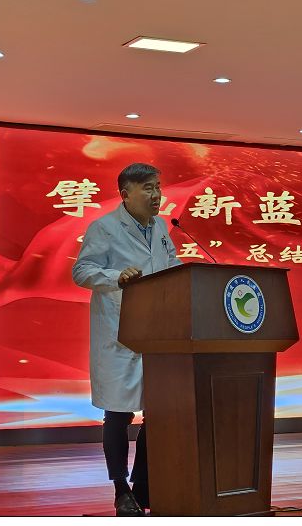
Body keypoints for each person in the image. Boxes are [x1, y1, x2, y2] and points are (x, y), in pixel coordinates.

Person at [73, 163, 181, 516]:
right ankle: (120, 491)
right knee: (118, 414)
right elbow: (82, 271)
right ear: (125, 193)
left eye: (158, 187)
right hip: (119, 334)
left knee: (157, 411)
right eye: (148, 188)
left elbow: (170, 262)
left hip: (158, 332)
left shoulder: (161, 226)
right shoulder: (104, 227)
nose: (156, 195)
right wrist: (116, 277)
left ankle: (144, 486)